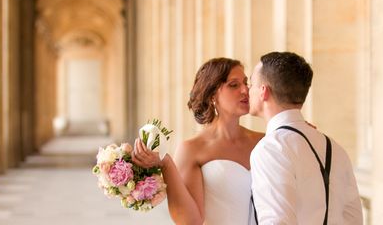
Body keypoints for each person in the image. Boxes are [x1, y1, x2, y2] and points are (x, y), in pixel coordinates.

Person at [132, 57, 263, 224]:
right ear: (212, 95)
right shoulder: (192, 149)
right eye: (234, 85)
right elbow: (190, 221)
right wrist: (166, 164)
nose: (245, 90)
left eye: (246, 82)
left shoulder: (264, 140)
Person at [249, 51, 363, 224]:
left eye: (251, 84)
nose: (247, 90)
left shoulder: (271, 148)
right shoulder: (334, 147)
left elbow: (276, 221)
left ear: (263, 91)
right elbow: (354, 218)